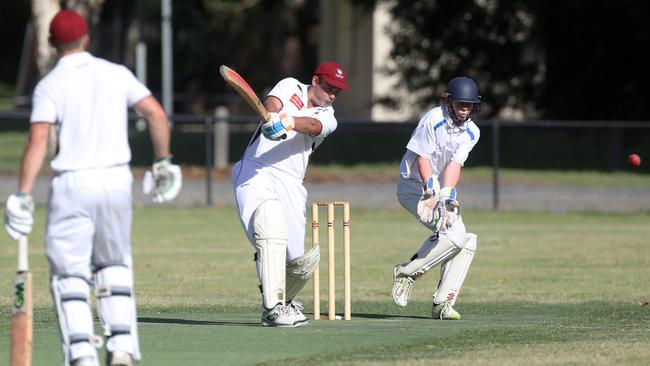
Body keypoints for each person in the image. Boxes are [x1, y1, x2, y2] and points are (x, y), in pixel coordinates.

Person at [3, 9, 181, 366]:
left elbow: (38, 140)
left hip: (73, 182)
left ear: (52, 44)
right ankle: (121, 346)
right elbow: (157, 114)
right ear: (86, 39)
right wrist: (163, 161)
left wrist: (22, 193)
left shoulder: (51, 84)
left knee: (70, 273)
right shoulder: (116, 74)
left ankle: (83, 353)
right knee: (114, 263)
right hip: (116, 182)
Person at [231, 62, 349, 327]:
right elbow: (271, 103)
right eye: (329, 88)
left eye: (337, 92)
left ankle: (286, 300)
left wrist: (288, 121)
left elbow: (313, 126)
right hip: (256, 169)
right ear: (315, 80)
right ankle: (272, 309)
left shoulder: (329, 116)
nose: (332, 95)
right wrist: (272, 116)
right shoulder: (291, 85)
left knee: (298, 262)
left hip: (292, 183)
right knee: (270, 227)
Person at [391, 77, 481, 320]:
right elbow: (423, 157)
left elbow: (454, 165)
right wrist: (430, 188)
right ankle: (406, 273)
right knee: (452, 235)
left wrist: (447, 195)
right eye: (461, 103)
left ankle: (443, 302)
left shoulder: (472, 131)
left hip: (439, 187)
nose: (465, 109)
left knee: (465, 240)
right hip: (412, 186)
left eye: (469, 105)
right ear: (449, 101)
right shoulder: (433, 119)